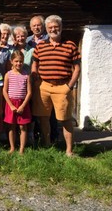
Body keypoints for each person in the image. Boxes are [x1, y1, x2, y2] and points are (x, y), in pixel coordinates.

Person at [31, 15, 81, 157]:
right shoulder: (40, 46)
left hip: (62, 87)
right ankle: (47, 144)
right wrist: (35, 77)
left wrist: (70, 86)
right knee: (43, 118)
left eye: (56, 27)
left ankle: (69, 150)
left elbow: (77, 68)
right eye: (50, 27)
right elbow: (35, 62)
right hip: (44, 86)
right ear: (46, 29)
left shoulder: (70, 45)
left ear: (61, 27)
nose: (53, 29)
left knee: (65, 120)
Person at [2, 50, 32, 154]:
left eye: (21, 61)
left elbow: (29, 92)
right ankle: (12, 147)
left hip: (22, 104)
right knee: (11, 126)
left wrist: (23, 105)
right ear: (11, 61)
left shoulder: (26, 75)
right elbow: (4, 91)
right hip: (11, 104)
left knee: (23, 127)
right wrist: (10, 105)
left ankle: (21, 149)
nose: (18, 63)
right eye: (16, 61)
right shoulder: (8, 75)